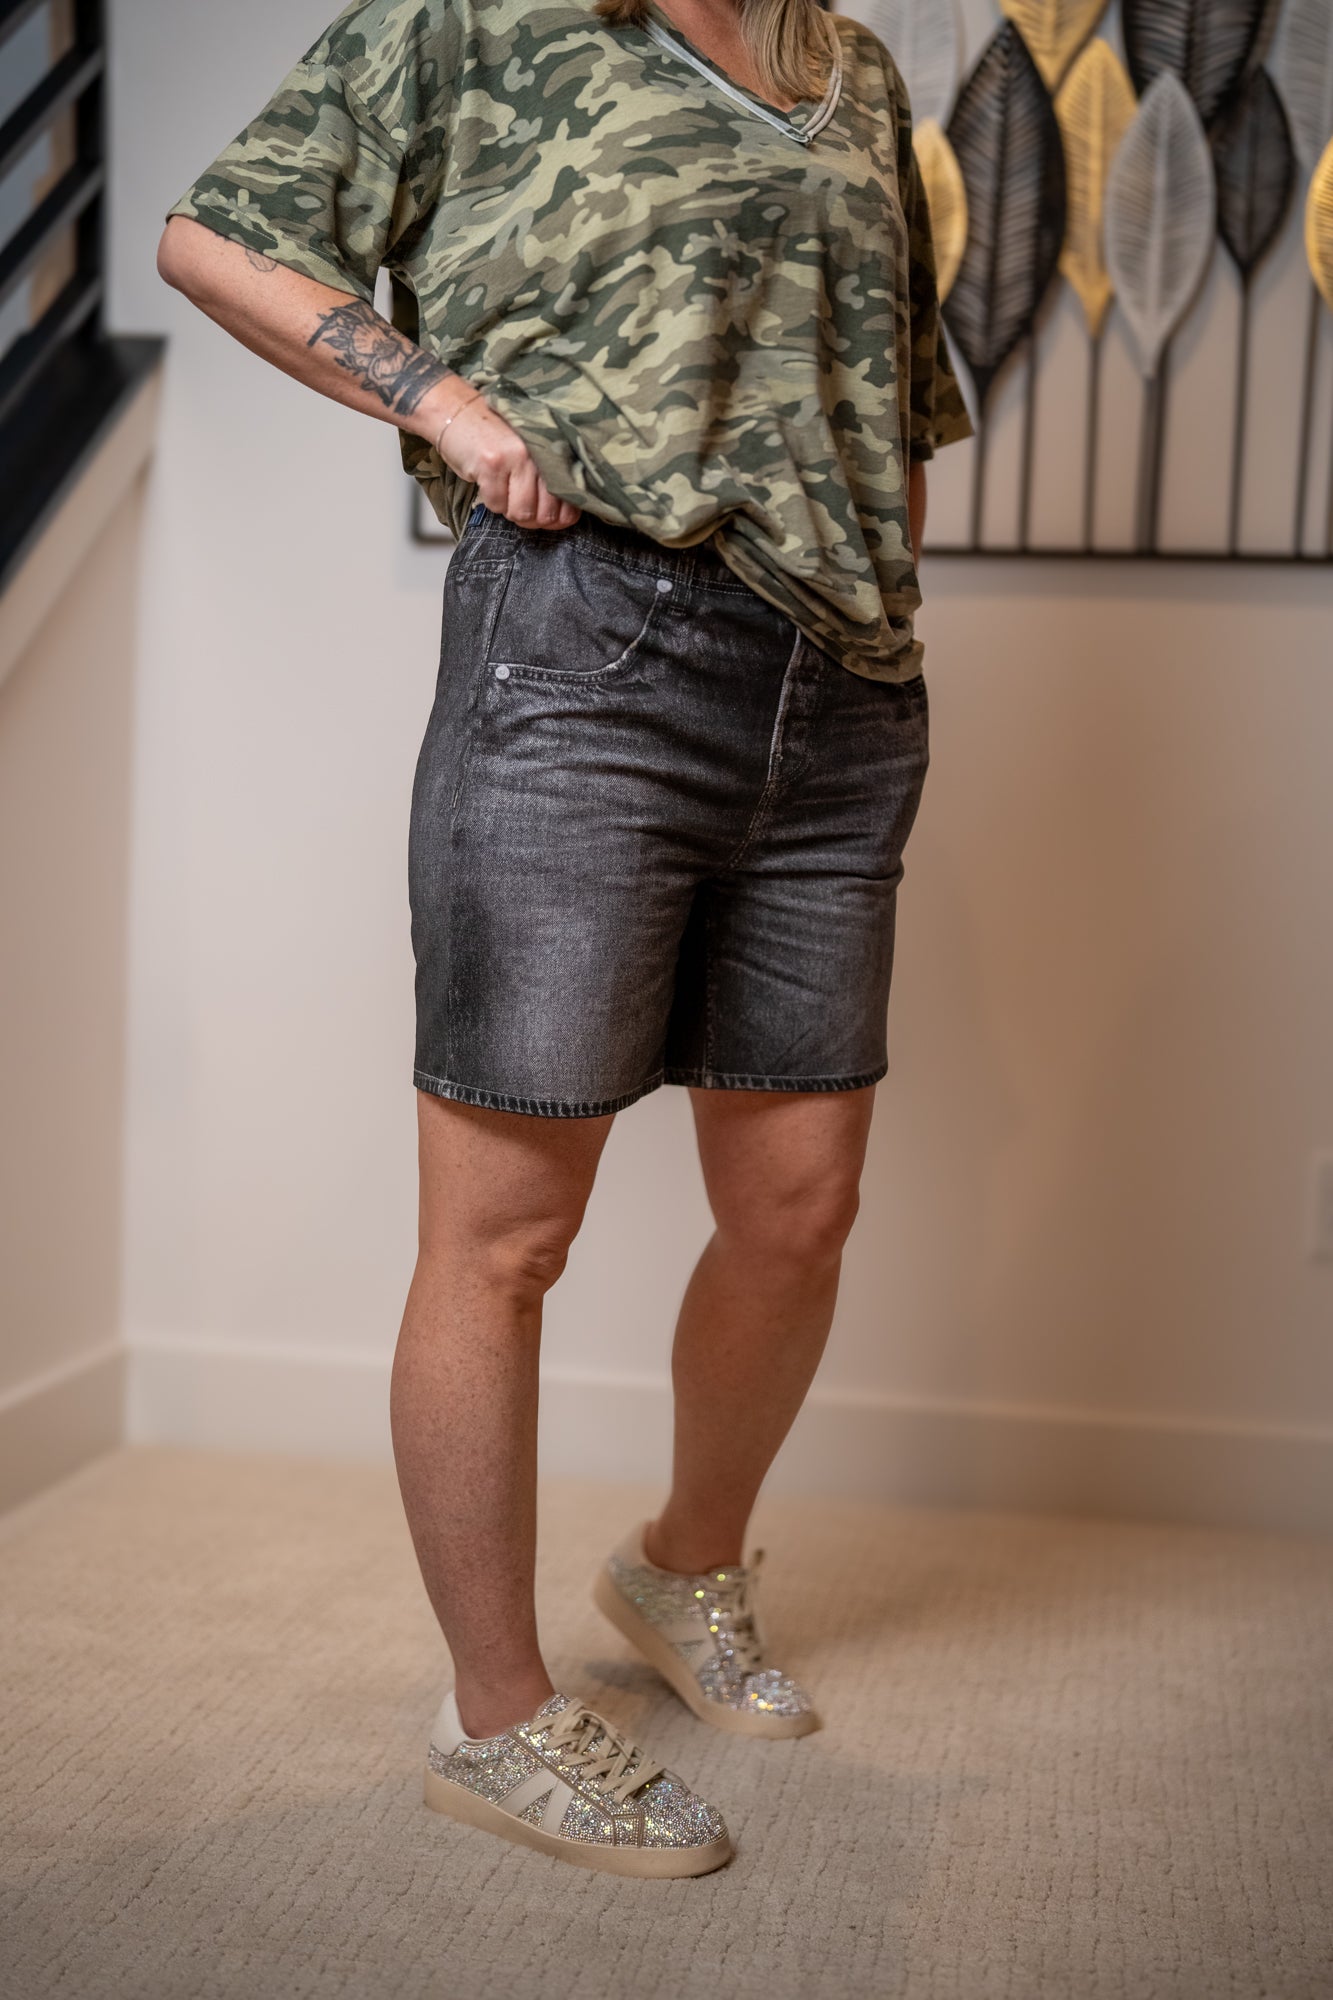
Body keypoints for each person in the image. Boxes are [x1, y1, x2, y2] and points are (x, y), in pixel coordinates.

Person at [157, 0, 975, 1880]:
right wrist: (446, 407)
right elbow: (214, 232)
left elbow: (893, 392)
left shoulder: (851, 69)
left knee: (799, 1208)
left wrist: (882, 608)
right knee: (508, 1233)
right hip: (587, 654)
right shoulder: (486, 17)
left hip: (842, 692)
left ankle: (680, 1565)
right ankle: (496, 1713)